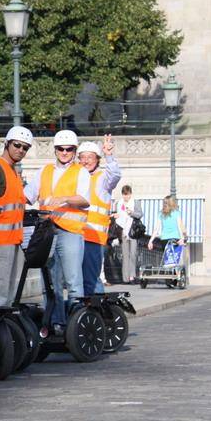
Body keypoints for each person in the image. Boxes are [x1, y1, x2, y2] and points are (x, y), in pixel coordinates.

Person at [24, 129, 90, 333]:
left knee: (73, 281)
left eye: (69, 149)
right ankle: (55, 324)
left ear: (74, 150)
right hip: (47, 232)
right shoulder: (44, 171)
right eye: (61, 149)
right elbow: (27, 196)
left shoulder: (81, 172)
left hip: (70, 232)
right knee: (50, 282)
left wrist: (64, 199)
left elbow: (85, 199)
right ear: (55, 150)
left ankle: (76, 327)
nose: (64, 152)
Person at [0, 126, 33, 309]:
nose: (21, 150)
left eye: (25, 148)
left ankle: (4, 329)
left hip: (14, 241)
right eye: (17, 145)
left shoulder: (14, 172)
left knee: (9, 293)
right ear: (7, 143)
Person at [77, 135, 122, 296]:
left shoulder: (102, 178)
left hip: (93, 237)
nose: (86, 161)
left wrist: (109, 155)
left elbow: (115, 176)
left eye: (90, 157)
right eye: (82, 157)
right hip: (74, 235)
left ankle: (98, 314)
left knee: (91, 279)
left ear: (97, 159)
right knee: (75, 280)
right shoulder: (75, 177)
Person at [112, 185, 142, 283]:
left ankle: (132, 276)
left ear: (130, 194)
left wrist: (132, 213)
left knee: (133, 254)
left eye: (127, 195)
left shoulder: (135, 202)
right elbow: (119, 216)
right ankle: (125, 278)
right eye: (124, 195)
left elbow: (140, 214)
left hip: (132, 231)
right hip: (123, 231)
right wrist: (116, 215)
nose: (126, 197)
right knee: (125, 255)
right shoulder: (119, 203)